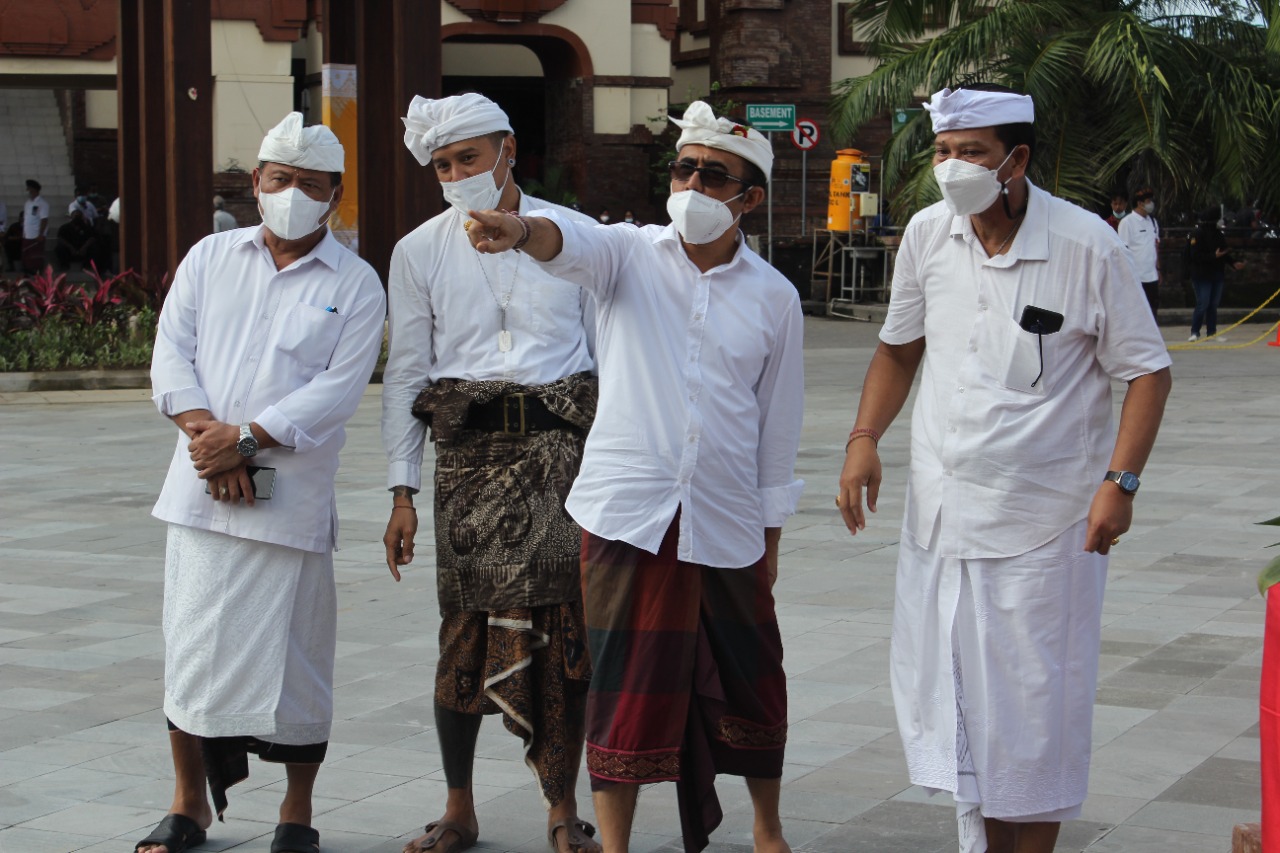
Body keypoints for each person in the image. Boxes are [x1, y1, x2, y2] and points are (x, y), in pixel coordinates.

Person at [836, 84, 1172, 853]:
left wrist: (1119, 484)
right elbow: (898, 347)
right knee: (964, 720)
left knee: (1032, 727)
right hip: (943, 524)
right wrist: (864, 436)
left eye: (973, 153)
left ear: (1016, 159)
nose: (953, 168)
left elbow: (1148, 371)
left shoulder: (1087, 244)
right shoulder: (928, 233)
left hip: (1044, 532)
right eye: (943, 152)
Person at [465, 99, 805, 853]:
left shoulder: (775, 298)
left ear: (749, 199)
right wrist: (519, 230)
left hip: (724, 516)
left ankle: (768, 830)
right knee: (621, 684)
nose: (690, 184)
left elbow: (776, 430)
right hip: (627, 511)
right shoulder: (626, 254)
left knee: (751, 676)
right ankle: (613, 846)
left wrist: (771, 534)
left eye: (713, 175)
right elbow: (565, 242)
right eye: (683, 168)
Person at [139, 112, 385, 853]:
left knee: (296, 661)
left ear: (336, 194)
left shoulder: (356, 282)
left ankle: (295, 814)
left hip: (290, 506)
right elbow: (170, 356)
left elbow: (338, 391)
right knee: (188, 649)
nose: (293, 195)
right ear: (256, 183)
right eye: (281, 180)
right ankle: (188, 805)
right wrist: (209, 439)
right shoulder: (210, 257)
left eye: (312, 185)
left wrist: (243, 440)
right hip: (201, 489)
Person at [382, 92, 602, 853]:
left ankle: (561, 807)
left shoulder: (574, 238)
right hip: (468, 466)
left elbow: (607, 357)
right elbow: (408, 374)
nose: (456, 175)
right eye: (442, 165)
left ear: (508, 148)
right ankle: (458, 808)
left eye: (468, 158)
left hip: (562, 464)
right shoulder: (417, 251)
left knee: (566, 632)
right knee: (463, 637)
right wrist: (401, 490)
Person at [1187, 207, 1245, 342]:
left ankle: (1211, 332)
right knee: (1203, 303)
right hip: (1201, 275)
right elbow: (1195, 256)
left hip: (1217, 273)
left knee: (1213, 304)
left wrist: (1233, 263)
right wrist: (1213, 255)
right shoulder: (1197, 233)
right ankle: (1195, 331)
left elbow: (1224, 252)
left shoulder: (1218, 234)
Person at [1118, 188, 1160, 316]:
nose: (1150, 204)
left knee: (1153, 309)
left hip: (1152, 275)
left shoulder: (1152, 221)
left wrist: (1159, 269)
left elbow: (1156, 246)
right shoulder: (1127, 222)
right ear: (1140, 203)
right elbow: (1123, 250)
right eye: (1148, 201)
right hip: (1136, 276)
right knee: (1138, 312)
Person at [21, 179, 49, 274]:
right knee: (26, 257)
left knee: (36, 258)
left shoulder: (42, 203)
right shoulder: (28, 203)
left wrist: (41, 234)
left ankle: (37, 278)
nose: (28, 191)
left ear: (34, 189)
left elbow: (44, 219)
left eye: (29, 189)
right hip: (27, 235)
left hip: (36, 236)